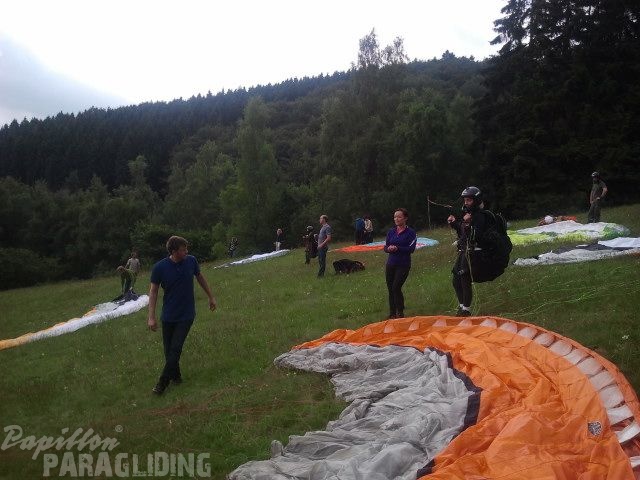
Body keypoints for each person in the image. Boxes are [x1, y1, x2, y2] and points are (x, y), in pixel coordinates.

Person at [147, 236, 216, 395]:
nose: (186, 251)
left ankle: (162, 383)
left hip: (186, 314)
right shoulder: (159, 268)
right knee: (169, 351)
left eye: (186, 249)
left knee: (176, 348)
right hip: (168, 315)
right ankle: (176, 377)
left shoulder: (191, 261)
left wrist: (211, 297)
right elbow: (153, 292)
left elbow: (200, 278)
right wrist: (151, 317)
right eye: (183, 249)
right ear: (174, 251)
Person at [447, 186, 492, 316]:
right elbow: (463, 233)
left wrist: (467, 224)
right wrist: (454, 224)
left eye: (469, 200)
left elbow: (475, 236)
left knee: (464, 278)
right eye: (465, 200)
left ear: (476, 200)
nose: (466, 203)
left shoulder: (480, 216)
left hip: (474, 252)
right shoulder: (469, 215)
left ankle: (466, 310)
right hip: (464, 251)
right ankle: (462, 307)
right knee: (456, 279)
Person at [383, 208, 417, 319]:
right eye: (395, 217)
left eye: (399, 217)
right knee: (390, 288)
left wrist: (397, 248)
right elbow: (385, 246)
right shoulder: (391, 232)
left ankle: (400, 312)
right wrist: (389, 249)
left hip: (403, 264)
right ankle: (392, 313)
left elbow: (411, 249)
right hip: (391, 263)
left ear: (405, 218)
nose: (396, 219)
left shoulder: (411, 233)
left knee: (396, 287)